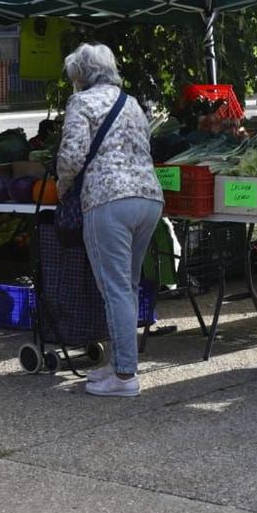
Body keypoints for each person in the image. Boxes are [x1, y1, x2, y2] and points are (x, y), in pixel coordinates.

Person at [55, 43, 162, 398]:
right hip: (148, 199)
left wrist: (61, 187)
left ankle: (125, 375)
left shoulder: (81, 103)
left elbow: (71, 157)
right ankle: (118, 363)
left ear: (80, 75)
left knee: (115, 289)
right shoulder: (130, 103)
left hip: (108, 200)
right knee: (127, 287)